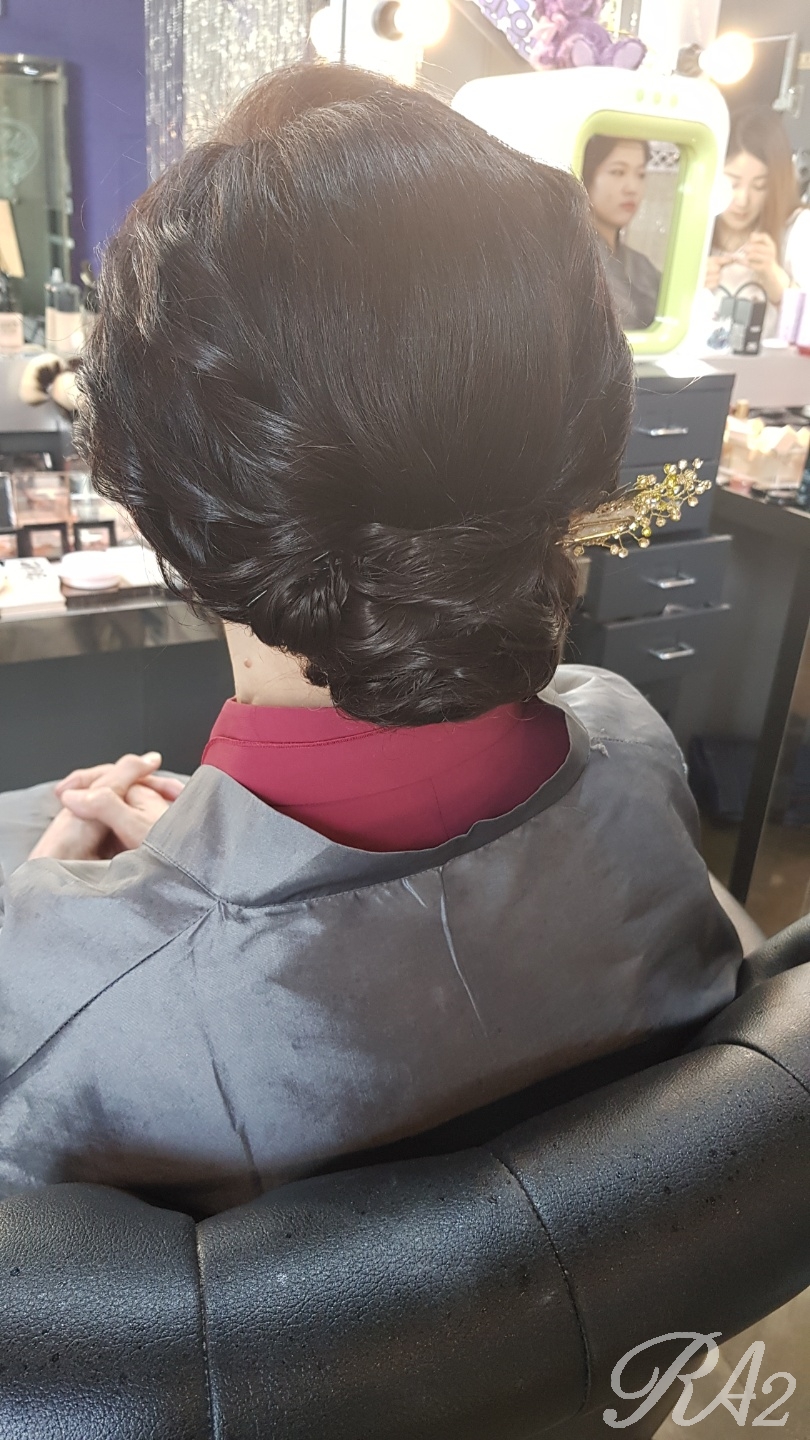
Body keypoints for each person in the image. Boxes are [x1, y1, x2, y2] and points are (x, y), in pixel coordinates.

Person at [0, 65, 741, 1218]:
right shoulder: (637, 754)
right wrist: (176, 885)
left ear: (152, 494)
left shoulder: (63, 994)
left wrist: (64, 927)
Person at [706, 105, 810, 337]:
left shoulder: (798, 230)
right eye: (732, 183)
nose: (743, 200)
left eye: (759, 186)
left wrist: (777, 283)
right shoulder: (694, 228)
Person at [582, 134, 662, 330]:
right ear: (586, 176)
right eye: (618, 172)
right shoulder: (573, 261)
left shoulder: (642, 265)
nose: (632, 188)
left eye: (640, 175)